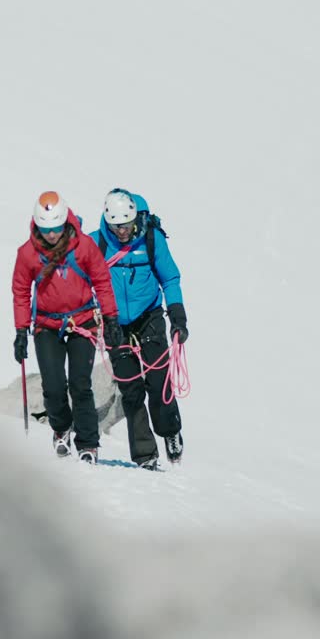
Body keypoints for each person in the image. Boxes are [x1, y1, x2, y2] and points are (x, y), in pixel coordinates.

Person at [11, 191, 121, 463]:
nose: (52, 235)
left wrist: (111, 319)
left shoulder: (84, 247)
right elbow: (21, 291)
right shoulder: (27, 254)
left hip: (81, 322)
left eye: (57, 229)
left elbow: (102, 282)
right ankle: (61, 429)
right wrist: (21, 331)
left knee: (80, 384)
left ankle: (88, 443)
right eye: (46, 230)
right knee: (53, 385)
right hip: (46, 326)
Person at [89, 188, 188, 470]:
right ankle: (145, 455)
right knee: (130, 390)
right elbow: (81, 282)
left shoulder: (151, 238)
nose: (122, 232)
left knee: (158, 382)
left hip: (150, 316)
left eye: (127, 225)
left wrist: (178, 317)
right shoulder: (95, 244)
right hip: (113, 323)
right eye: (116, 226)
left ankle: (170, 432)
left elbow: (170, 278)